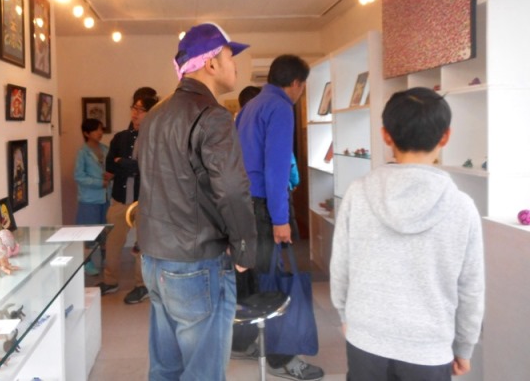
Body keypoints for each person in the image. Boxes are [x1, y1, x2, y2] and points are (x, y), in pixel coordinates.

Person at [330, 87, 485, 380]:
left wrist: (345, 315)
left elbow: (341, 265)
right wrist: (464, 347)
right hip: (428, 349)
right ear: (445, 137)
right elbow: (470, 288)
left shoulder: (358, 193)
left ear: (386, 135)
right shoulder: (462, 207)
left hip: (366, 340)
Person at [136, 22, 258, 380]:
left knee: (165, 367)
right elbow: (232, 189)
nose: (235, 65)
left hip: (154, 259)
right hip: (195, 262)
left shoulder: (154, 115)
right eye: (230, 56)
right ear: (211, 63)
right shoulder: (213, 116)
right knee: (203, 372)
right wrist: (245, 248)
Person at [235, 55, 324, 381]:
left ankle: (245, 342)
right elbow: (276, 169)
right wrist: (281, 219)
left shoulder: (250, 107)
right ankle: (280, 357)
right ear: (296, 83)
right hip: (263, 206)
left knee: (250, 277)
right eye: (303, 86)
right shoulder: (281, 107)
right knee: (271, 281)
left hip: (241, 205)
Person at [98, 91, 159, 304]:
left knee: (143, 245)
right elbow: (110, 165)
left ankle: (142, 286)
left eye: (141, 110)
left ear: (151, 113)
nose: (135, 113)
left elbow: (153, 168)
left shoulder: (156, 138)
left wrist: (124, 163)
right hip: (119, 199)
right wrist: (131, 166)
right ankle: (110, 280)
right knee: (113, 242)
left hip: (145, 201)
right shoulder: (120, 138)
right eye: (134, 108)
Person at [74, 118, 112, 276]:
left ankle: (105, 259)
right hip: (89, 199)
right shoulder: (82, 152)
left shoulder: (106, 149)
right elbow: (79, 176)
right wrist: (99, 183)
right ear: (86, 133)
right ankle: (86, 262)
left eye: (101, 129)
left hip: (106, 197)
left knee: (106, 231)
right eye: (96, 130)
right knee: (88, 232)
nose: (100, 132)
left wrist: (111, 176)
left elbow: (112, 169)